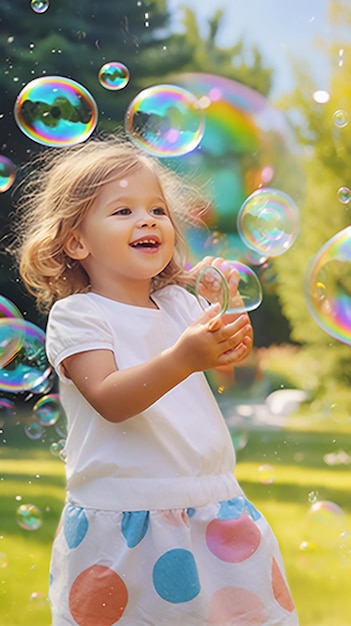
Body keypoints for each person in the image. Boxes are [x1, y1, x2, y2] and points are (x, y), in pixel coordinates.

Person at [12, 134, 298, 625]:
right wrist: (183, 358)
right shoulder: (78, 315)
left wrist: (224, 318)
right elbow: (110, 398)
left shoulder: (179, 304)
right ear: (76, 241)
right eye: (122, 211)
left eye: (157, 210)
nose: (147, 220)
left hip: (215, 511)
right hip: (127, 525)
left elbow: (224, 361)